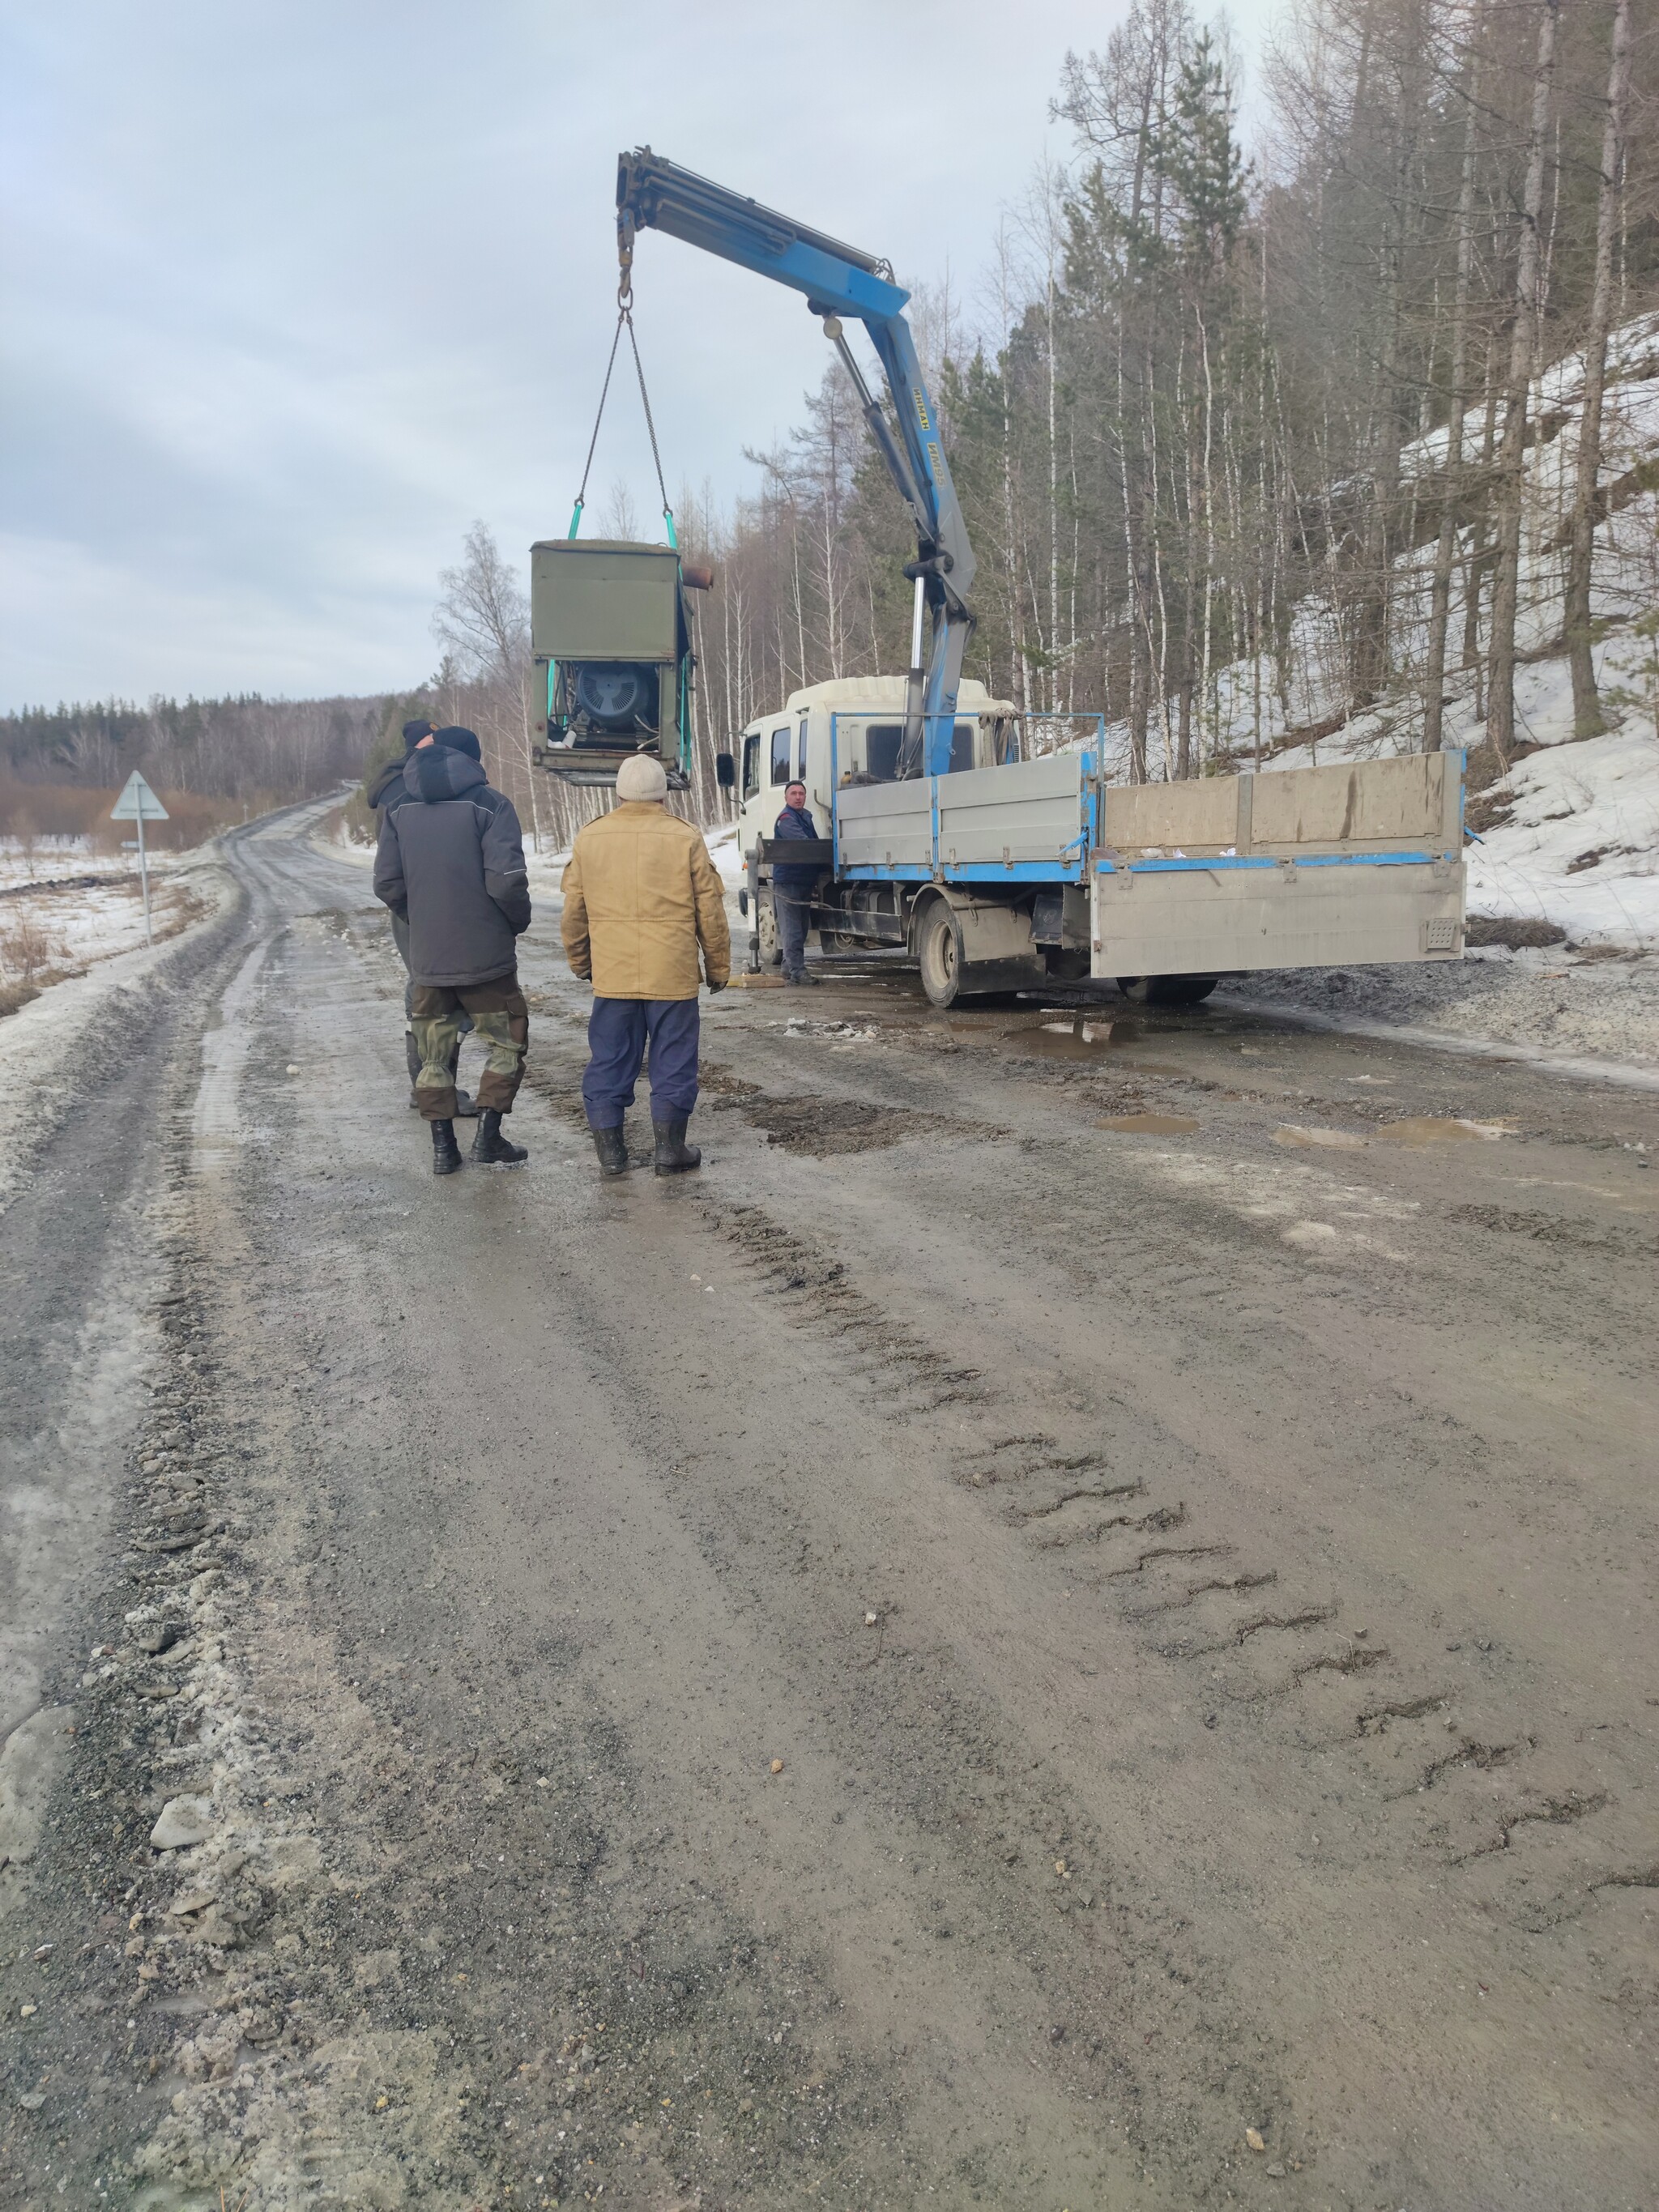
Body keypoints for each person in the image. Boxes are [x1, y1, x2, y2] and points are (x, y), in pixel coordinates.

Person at [561, 752, 731, 1178]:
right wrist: (718, 967)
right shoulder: (685, 837)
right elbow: (709, 910)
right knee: (673, 1059)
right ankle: (670, 1151)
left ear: (619, 791)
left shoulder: (591, 837)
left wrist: (582, 962)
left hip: (613, 975)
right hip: (671, 975)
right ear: (663, 791)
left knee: (610, 1058)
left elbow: (574, 910)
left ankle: (612, 1154)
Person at [373, 726, 532, 1176]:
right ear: (472, 760)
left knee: (434, 1054)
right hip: (487, 962)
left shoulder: (398, 809)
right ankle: (488, 1136)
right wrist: (513, 922)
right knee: (507, 1043)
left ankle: (444, 1149)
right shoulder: (491, 805)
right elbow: (506, 880)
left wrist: (421, 919)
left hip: (429, 964)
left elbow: (386, 884)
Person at [366, 717, 476, 1117]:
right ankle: (433, 1090)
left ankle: (430, 1090)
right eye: (433, 738)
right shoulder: (410, 786)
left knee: (426, 988)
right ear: (420, 744)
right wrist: (420, 910)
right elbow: (392, 868)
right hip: (425, 906)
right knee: (437, 992)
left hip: (416, 905)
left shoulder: (405, 781)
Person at [771, 778, 821, 985]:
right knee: (792, 929)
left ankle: (787, 966)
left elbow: (814, 844)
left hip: (802, 881)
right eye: (794, 794)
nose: (798, 797)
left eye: (801, 793)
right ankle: (798, 972)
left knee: (799, 929)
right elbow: (805, 845)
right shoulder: (786, 819)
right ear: (786, 797)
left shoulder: (805, 817)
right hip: (789, 882)